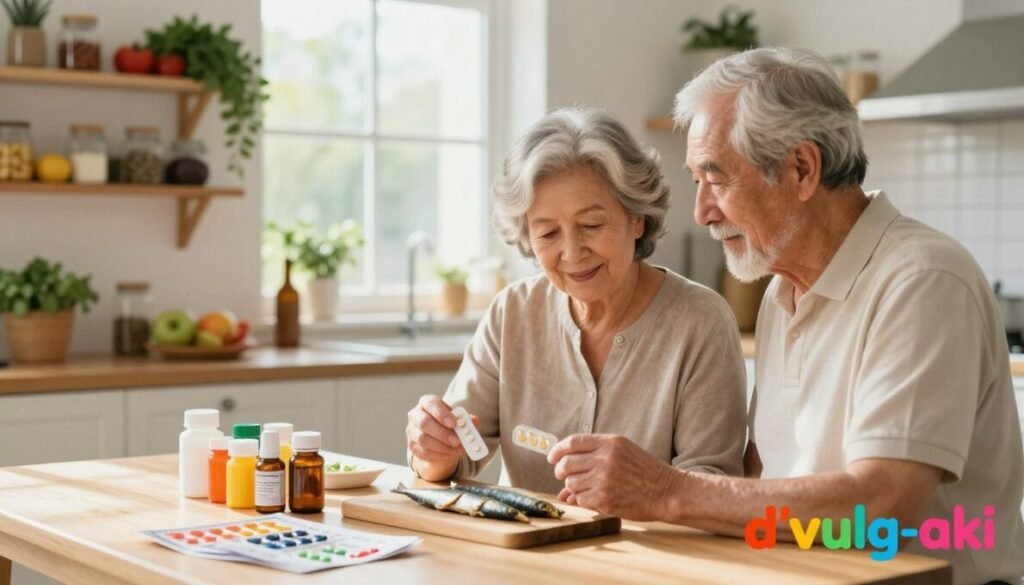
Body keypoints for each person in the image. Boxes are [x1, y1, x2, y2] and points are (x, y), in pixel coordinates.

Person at [547, 47, 1024, 585]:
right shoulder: (781, 291)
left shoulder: (921, 279)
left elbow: (881, 506)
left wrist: (666, 491)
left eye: (716, 178)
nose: (701, 210)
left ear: (801, 169)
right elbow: (761, 475)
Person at [405, 107, 748, 494]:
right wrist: (432, 451)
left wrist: (646, 488)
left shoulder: (700, 321)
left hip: (646, 553)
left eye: (591, 226)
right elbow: (451, 460)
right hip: (524, 550)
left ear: (637, 218)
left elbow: (716, 487)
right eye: (548, 233)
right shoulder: (513, 312)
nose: (571, 252)